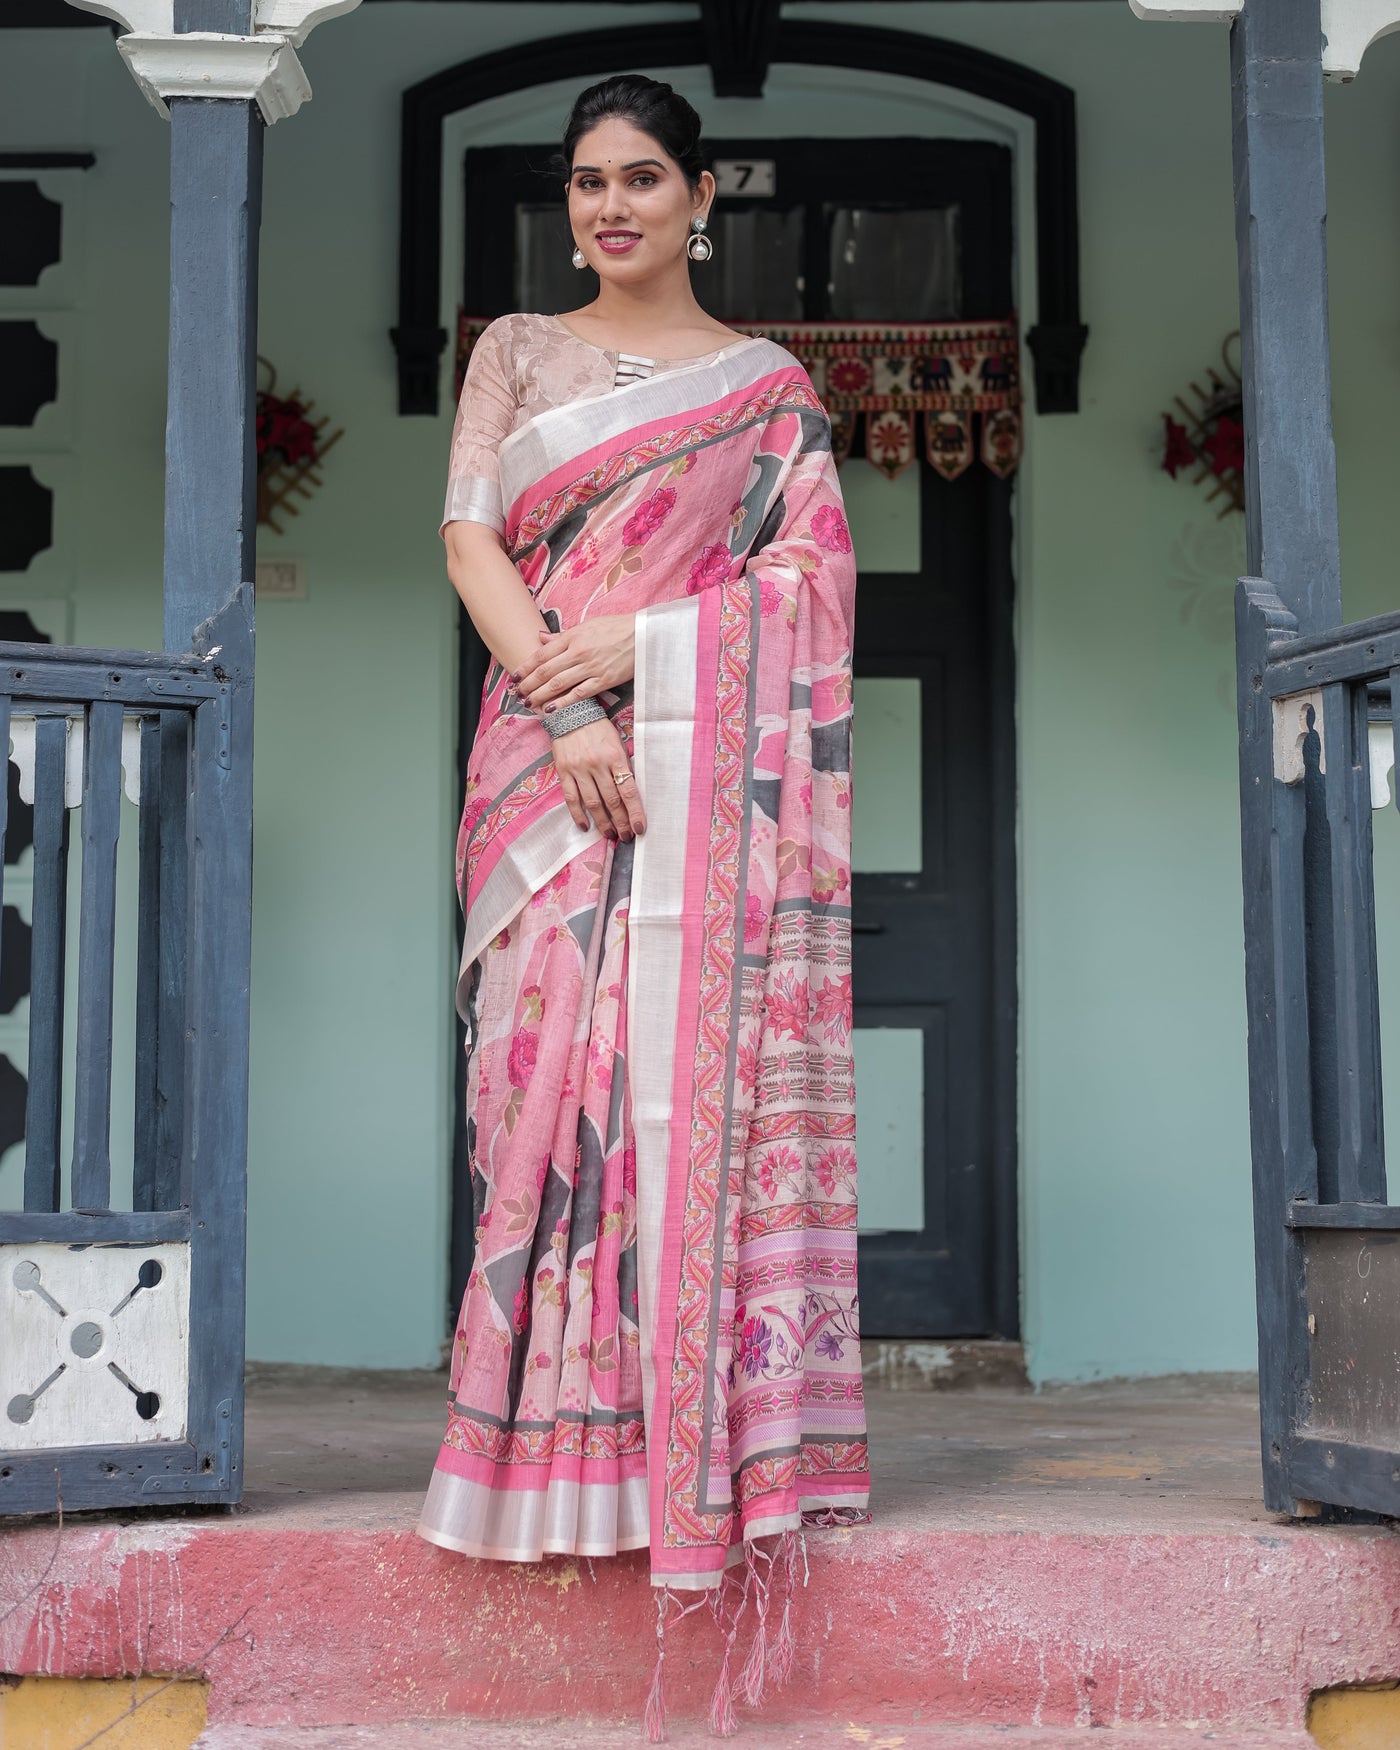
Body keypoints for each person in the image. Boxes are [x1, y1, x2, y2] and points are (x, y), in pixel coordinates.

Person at [416, 72, 870, 1733]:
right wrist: (569, 695)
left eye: (641, 180)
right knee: (535, 1083)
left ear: (700, 200)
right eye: (587, 182)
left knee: (668, 1095)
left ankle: (670, 1437)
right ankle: (539, 1442)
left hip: (697, 791)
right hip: (544, 775)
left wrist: (658, 654)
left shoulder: (766, 391)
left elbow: (814, 587)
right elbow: (471, 540)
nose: (609, 208)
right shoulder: (515, 352)